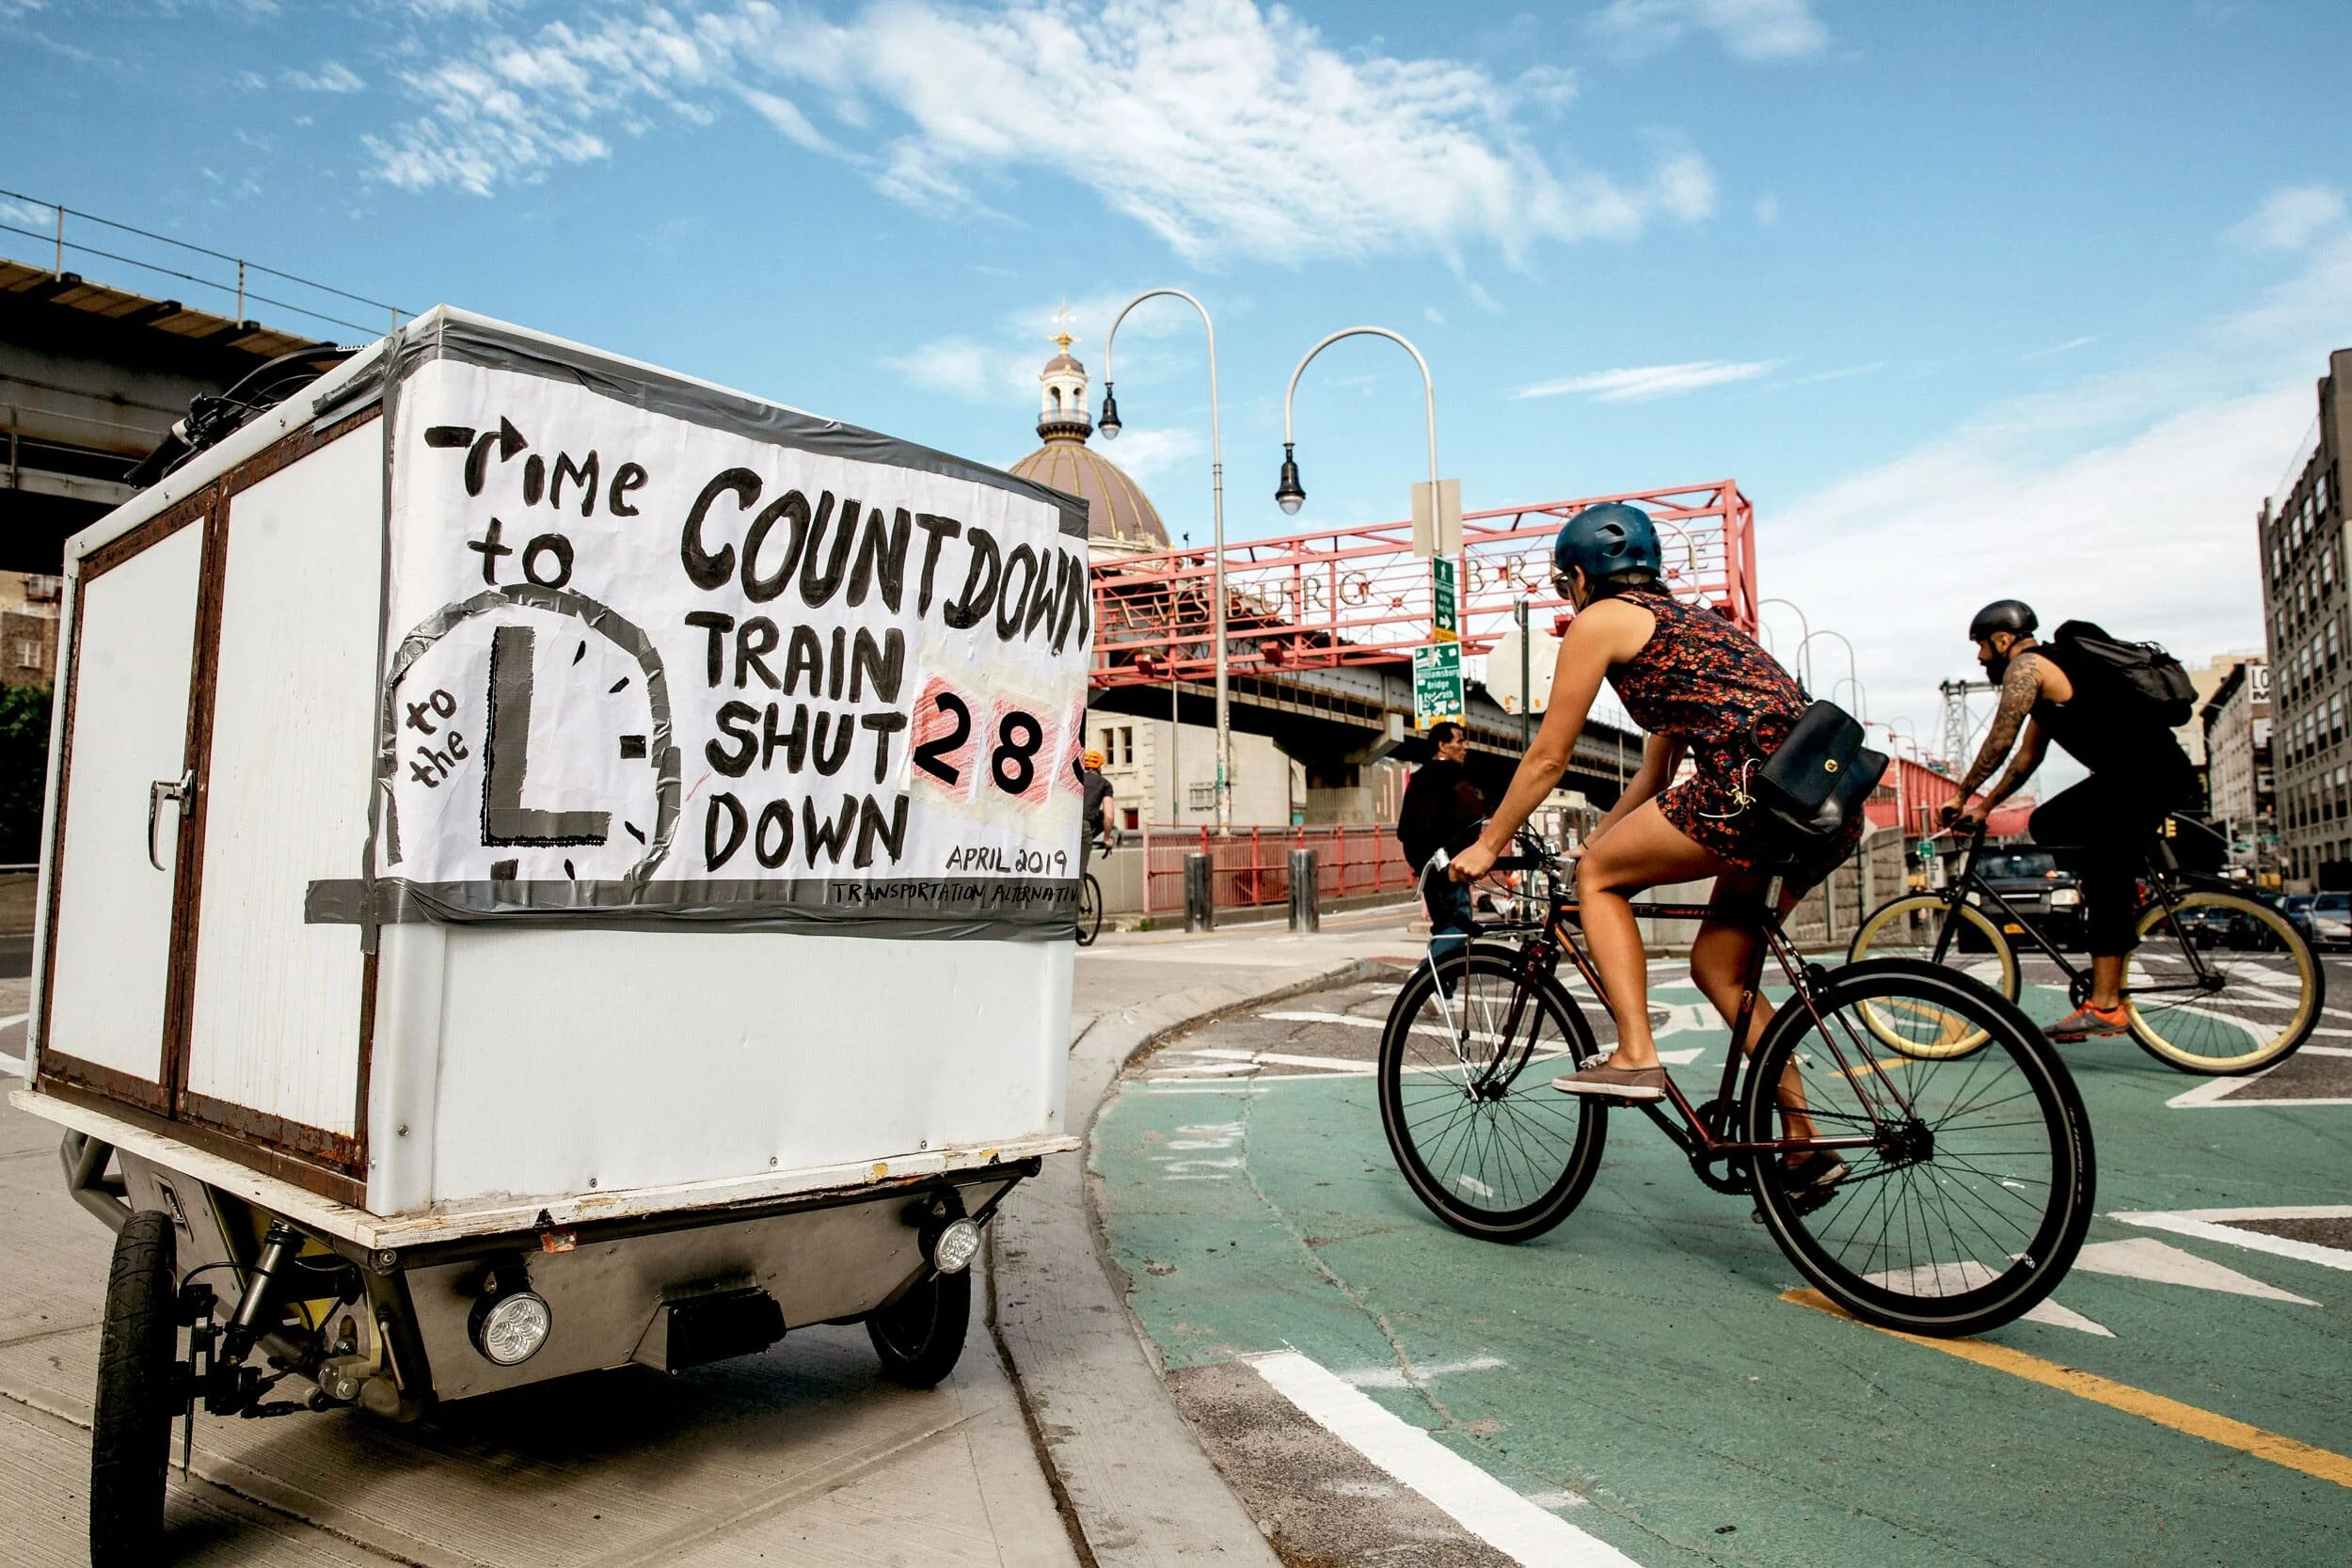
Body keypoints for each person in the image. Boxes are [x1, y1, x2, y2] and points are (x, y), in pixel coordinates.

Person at [1446, 503, 1857, 1191]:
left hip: (1750, 788)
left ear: (1578, 575)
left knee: (1601, 883)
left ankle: (1636, 1052)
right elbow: (1655, 776)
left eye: (1563, 584)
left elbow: (1550, 756)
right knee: (1721, 970)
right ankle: (1801, 1134)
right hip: (1812, 798)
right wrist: (1597, 844)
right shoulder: (1692, 627)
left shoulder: (1599, 621)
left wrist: (1491, 843)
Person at [1941, 599, 2199, 1040]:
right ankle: (2111, 917)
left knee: (2058, 830)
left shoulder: (2029, 668)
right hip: (2144, 776)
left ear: (2003, 640)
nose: (1981, 658)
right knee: (2090, 859)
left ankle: (2104, 1006)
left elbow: (2001, 739)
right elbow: (2025, 758)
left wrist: (1962, 793)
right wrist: (1984, 808)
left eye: (1982, 647)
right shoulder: (2053, 676)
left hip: (2144, 775)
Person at [1396, 721, 1486, 974]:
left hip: (1427, 867)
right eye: (1460, 741)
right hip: (1454, 864)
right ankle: (1426, 976)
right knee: (1460, 925)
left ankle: (1442, 992)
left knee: (1444, 927)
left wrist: (1420, 861)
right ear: (1442, 745)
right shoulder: (1457, 779)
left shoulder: (1417, 780)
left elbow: (1404, 830)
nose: (1465, 747)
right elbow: (1471, 822)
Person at [1078, 749, 1114, 867]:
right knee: (1078, 873)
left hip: (1063, 826)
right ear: (1099, 767)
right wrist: (1107, 839)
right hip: (1083, 827)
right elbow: (1109, 816)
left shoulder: (1076, 778)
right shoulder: (1104, 784)